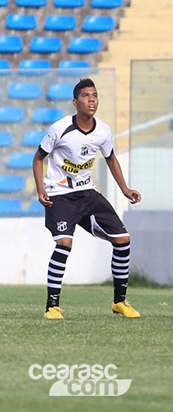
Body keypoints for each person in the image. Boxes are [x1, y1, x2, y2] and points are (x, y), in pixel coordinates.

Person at [32, 78, 142, 319]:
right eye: (85, 96)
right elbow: (38, 158)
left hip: (88, 194)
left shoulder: (102, 130)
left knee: (123, 239)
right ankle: (52, 306)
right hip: (60, 195)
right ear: (75, 102)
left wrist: (124, 189)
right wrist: (41, 190)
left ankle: (119, 302)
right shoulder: (60, 128)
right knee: (64, 243)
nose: (91, 100)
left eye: (94, 95)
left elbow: (111, 158)